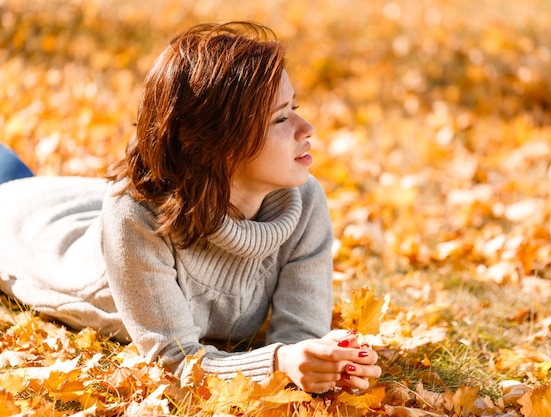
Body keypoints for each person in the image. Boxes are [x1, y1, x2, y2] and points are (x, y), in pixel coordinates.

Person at [0, 22, 381, 393]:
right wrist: (279, 362)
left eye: (294, 107)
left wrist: (323, 362)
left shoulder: (303, 202)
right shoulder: (136, 216)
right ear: (218, 145)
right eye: (281, 118)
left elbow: (300, 340)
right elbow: (176, 361)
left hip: (83, 200)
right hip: (24, 227)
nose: (307, 127)